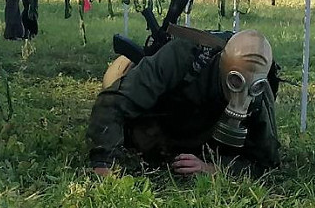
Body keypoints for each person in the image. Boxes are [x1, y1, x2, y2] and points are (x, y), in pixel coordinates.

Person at [87, 30, 281, 178]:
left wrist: (212, 168)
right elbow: (114, 102)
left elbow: (265, 162)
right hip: (161, 119)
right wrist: (104, 162)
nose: (243, 93)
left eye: (253, 87)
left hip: (203, 138)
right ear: (223, 67)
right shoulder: (183, 56)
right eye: (235, 82)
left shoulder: (260, 91)